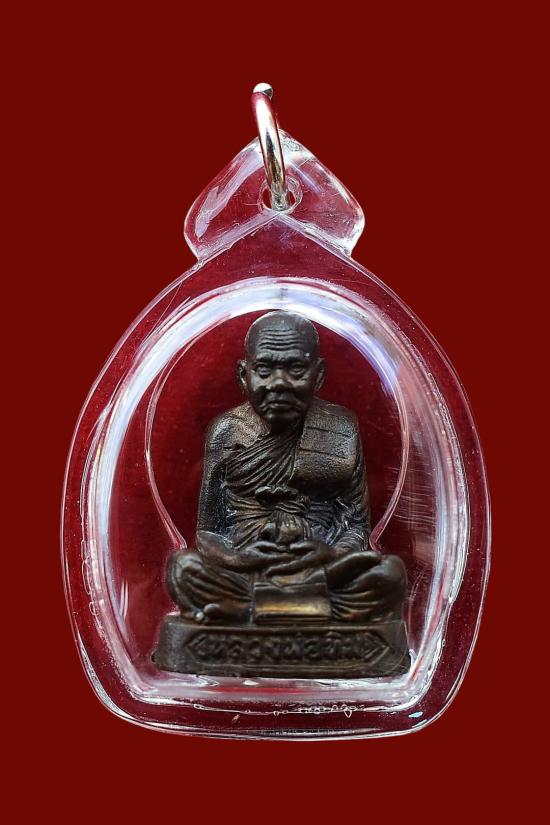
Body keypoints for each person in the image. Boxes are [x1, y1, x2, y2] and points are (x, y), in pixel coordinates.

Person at [167, 310, 406, 626]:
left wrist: (328, 553)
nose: (279, 383)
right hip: (247, 569)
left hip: (319, 569)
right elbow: (209, 532)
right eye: (264, 369)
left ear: (318, 375)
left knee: (390, 574)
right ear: (243, 375)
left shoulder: (340, 427)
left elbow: (357, 525)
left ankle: (243, 611)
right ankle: (300, 612)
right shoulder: (227, 431)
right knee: (183, 568)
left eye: (295, 369)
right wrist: (239, 557)